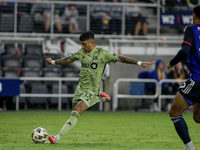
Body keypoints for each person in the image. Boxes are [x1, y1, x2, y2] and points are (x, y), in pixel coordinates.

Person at [45, 31, 155, 144]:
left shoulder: (102, 53)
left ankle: (57, 138)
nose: (82, 46)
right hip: (80, 88)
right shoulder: (82, 52)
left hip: (91, 90)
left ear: (91, 42)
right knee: (73, 111)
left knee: (76, 111)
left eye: (84, 44)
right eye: (81, 44)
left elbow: (120, 58)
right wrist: (53, 62)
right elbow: (69, 59)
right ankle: (99, 96)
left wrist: (139, 63)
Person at [166, 4, 200, 150]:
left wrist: (172, 63)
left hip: (198, 79)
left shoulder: (191, 29)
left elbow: (185, 50)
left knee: (174, 112)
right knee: (198, 118)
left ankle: (190, 148)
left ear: (194, 15)